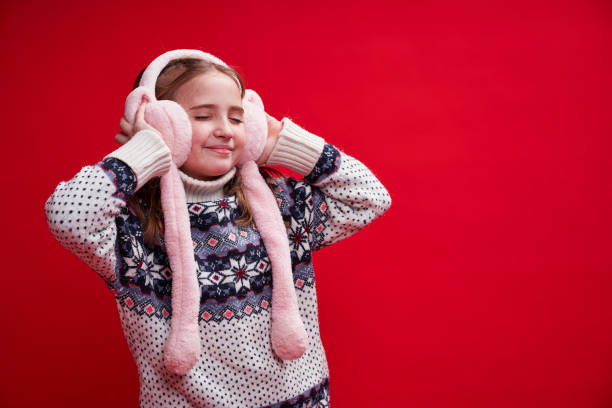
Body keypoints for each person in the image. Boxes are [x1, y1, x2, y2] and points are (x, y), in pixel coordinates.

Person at [45, 53, 391, 408]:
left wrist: (280, 143)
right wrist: (143, 150)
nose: (225, 129)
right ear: (163, 123)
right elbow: (68, 216)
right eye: (202, 116)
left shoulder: (284, 204)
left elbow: (369, 198)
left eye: (238, 117)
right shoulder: (132, 228)